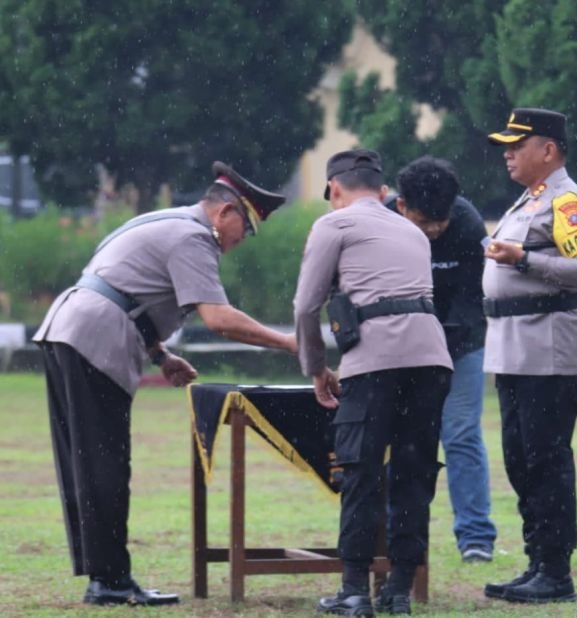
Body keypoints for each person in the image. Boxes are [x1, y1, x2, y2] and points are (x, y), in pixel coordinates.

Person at [33, 162, 297, 606]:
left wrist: (161, 356)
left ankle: (106, 576)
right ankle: (111, 581)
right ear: (225, 212)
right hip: (95, 335)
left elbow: (125, 286)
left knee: (86, 462)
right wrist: (290, 344)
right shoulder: (194, 237)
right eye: (245, 228)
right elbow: (218, 318)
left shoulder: (165, 221)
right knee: (105, 463)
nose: (241, 240)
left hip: (68, 328)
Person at [293, 149, 453, 616]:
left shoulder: (334, 224)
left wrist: (315, 367)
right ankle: (399, 590)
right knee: (413, 473)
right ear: (383, 193)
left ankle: (355, 590)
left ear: (334, 189)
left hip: (375, 362)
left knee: (360, 472)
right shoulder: (413, 231)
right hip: (431, 357)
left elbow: (306, 306)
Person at [481, 108, 577, 604]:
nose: (508, 153)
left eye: (518, 144)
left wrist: (525, 259)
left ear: (548, 150)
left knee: (545, 459)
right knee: (519, 458)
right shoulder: (529, 200)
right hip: (515, 347)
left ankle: (556, 571)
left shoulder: (567, 202)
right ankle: (537, 561)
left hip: (550, 348)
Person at [388, 155, 498, 563]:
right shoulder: (384, 222)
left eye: (441, 222)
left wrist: (441, 344)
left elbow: (473, 297)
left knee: (461, 435)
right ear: (402, 207)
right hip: (400, 347)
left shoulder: (468, 224)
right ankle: (394, 533)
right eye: (424, 223)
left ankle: (476, 536)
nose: (433, 231)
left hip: (460, 345)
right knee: (401, 440)